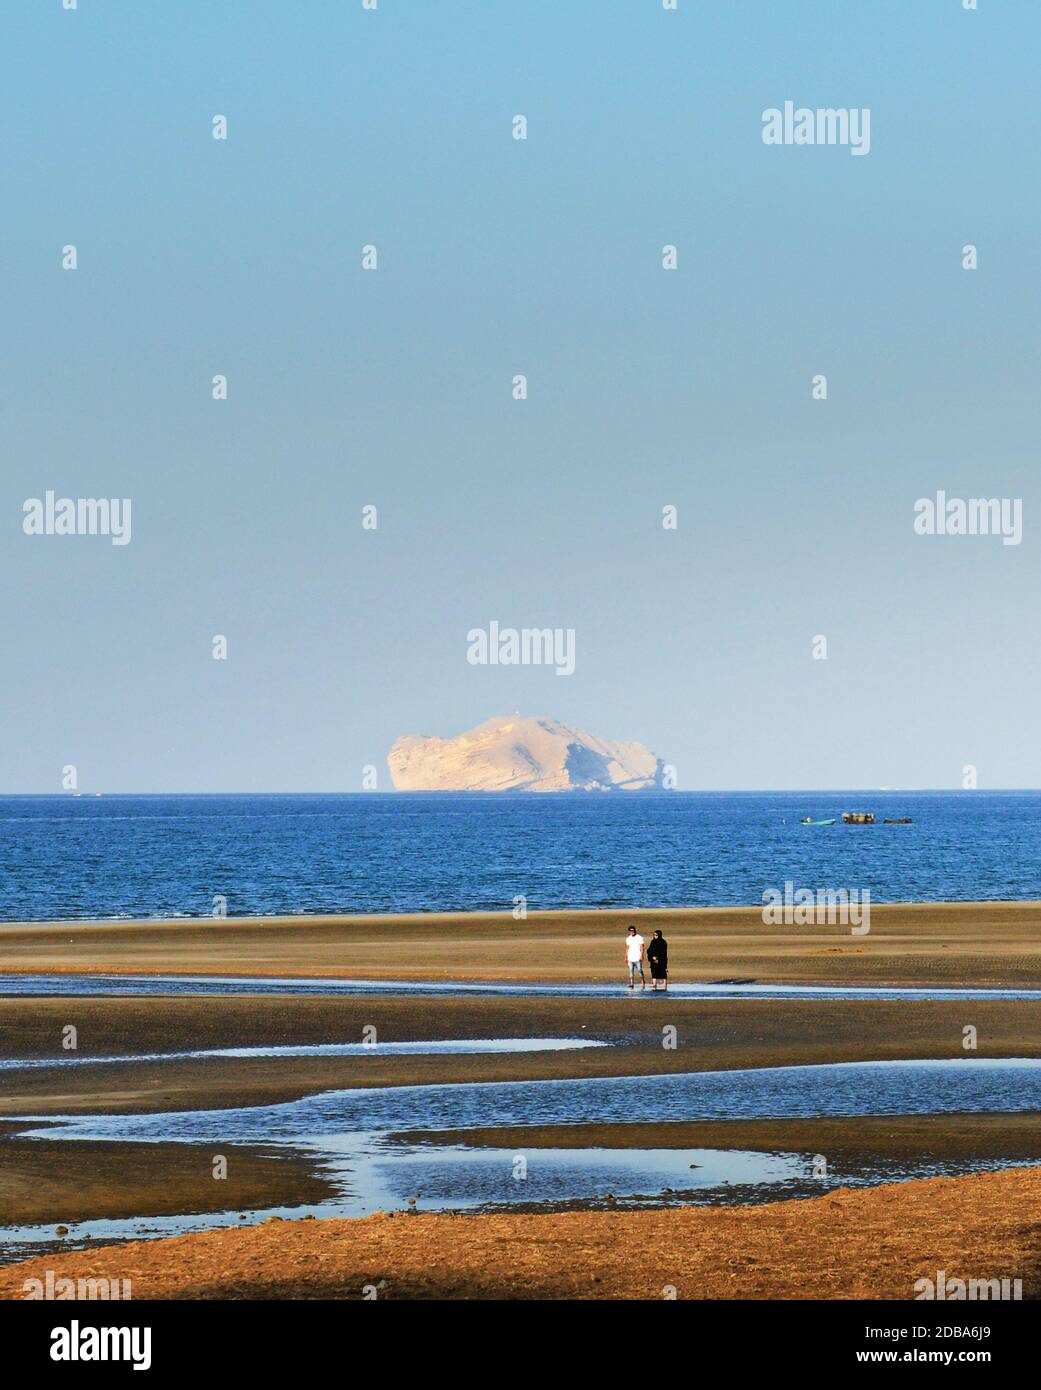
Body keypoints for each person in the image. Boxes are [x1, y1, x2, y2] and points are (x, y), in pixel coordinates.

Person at [624, 925, 646, 990]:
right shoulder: (628, 938)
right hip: (630, 957)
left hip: (637, 957)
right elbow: (627, 948)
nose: (632, 932)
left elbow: (642, 947)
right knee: (631, 970)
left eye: (633, 931)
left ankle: (642, 980)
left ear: (635, 931)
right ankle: (632, 983)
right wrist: (625, 956)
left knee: (639, 970)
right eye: (631, 931)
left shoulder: (639, 937)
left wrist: (641, 955)